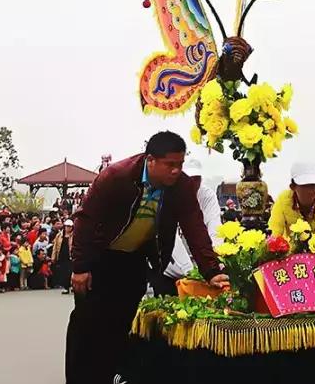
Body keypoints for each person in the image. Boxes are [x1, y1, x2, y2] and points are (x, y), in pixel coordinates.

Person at [65, 131, 228, 384]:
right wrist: (80, 266)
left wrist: (211, 270)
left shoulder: (182, 187)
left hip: (135, 260)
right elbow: (86, 220)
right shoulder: (115, 177)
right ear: (150, 160)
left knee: (121, 324)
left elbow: (194, 227)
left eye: (180, 164)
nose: (176, 171)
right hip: (100, 259)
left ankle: (110, 377)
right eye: (170, 165)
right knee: (88, 324)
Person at [163, 155, 222, 293]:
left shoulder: (207, 195)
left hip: (201, 267)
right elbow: (171, 238)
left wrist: (216, 262)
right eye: (189, 178)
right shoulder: (168, 194)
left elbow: (214, 227)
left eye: (197, 178)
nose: (193, 182)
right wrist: (189, 271)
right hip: (170, 268)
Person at [268, 162, 315, 238]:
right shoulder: (283, 200)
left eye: (313, 185)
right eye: (305, 186)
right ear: (293, 187)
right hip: (293, 246)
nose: (310, 190)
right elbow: (274, 233)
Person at [52, 219, 74, 293]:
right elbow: (55, 247)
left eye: (69, 226)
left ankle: (72, 286)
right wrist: (53, 257)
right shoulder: (59, 235)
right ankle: (66, 287)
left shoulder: (74, 235)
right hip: (62, 255)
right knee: (63, 272)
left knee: (70, 272)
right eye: (67, 226)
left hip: (70, 256)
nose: (68, 228)